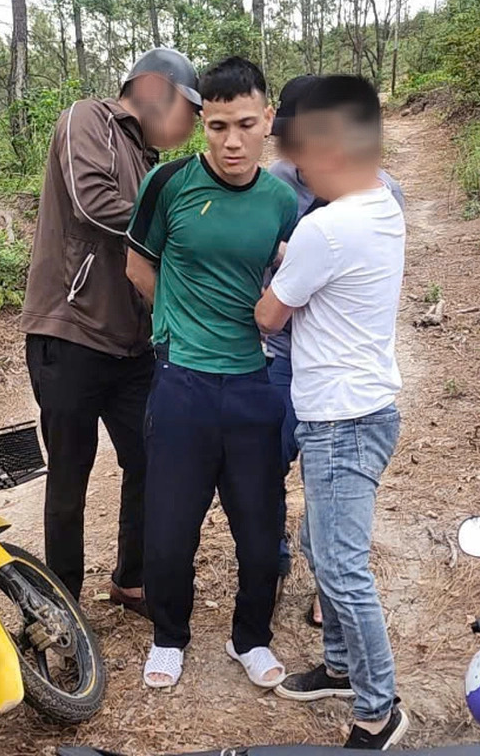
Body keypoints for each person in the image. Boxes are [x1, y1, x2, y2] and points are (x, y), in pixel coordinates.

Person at [125, 57, 298, 689]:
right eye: (219, 126)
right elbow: (138, 265)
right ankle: (169, 636)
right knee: (170, 529)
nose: (232, 142)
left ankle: (250, 638)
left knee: (260, 532)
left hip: (253, 382)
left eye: (246, 125)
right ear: (204, 124)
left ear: (267, 120)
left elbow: (290, 273)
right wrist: (172, 327)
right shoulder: (168, 183)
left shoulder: (281, 202)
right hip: (183, 383)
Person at [255, 75, 408, 749]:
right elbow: (323, 269)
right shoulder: (383, 204)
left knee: (342, 568)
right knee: (321, 547)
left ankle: (379, 708)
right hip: (362, 410)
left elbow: (270, 314)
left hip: (340, 419)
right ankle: (342, 667)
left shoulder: (326, 226)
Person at [20, 48, 201, 608]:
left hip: (131, 345)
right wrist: (175, 226)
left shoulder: (149, 162)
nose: (194, 124)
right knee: (70, 473)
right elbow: (91, 202)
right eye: (191, 110)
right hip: (69, 332)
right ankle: (63, 601)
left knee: (150, 456)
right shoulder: (88, 118)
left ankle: (132, 577)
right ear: (155, 90)